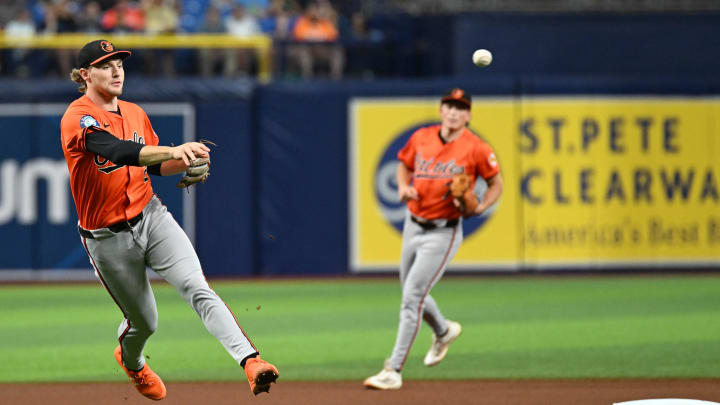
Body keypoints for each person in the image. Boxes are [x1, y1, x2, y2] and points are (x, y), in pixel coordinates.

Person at [60, 39, 279, 400]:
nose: (116, 71)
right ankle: (132, 362)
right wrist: (174, 149)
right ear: (85, 75)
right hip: (106, 238)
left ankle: (251, 361)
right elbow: (116, 150)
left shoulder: (134, 113)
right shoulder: (77, 116)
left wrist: (185, 161)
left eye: (119, 63)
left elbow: (157, 165)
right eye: (105, 65)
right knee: (144, 322)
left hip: (151, 215)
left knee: (197, 286)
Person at [363, 88, 503, 390]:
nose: (454, 112)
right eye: (449, 106)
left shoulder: (477, 148)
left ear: (468, 115)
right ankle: (443, 331)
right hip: (413, 225)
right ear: (441, 110)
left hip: (444, 231)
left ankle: (393, 370)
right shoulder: (421, 137)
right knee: (412, 293)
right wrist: (402, 187)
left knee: (411, 297)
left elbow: (496, 184)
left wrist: (480, 206)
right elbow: (404, 165)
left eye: (460, 108)